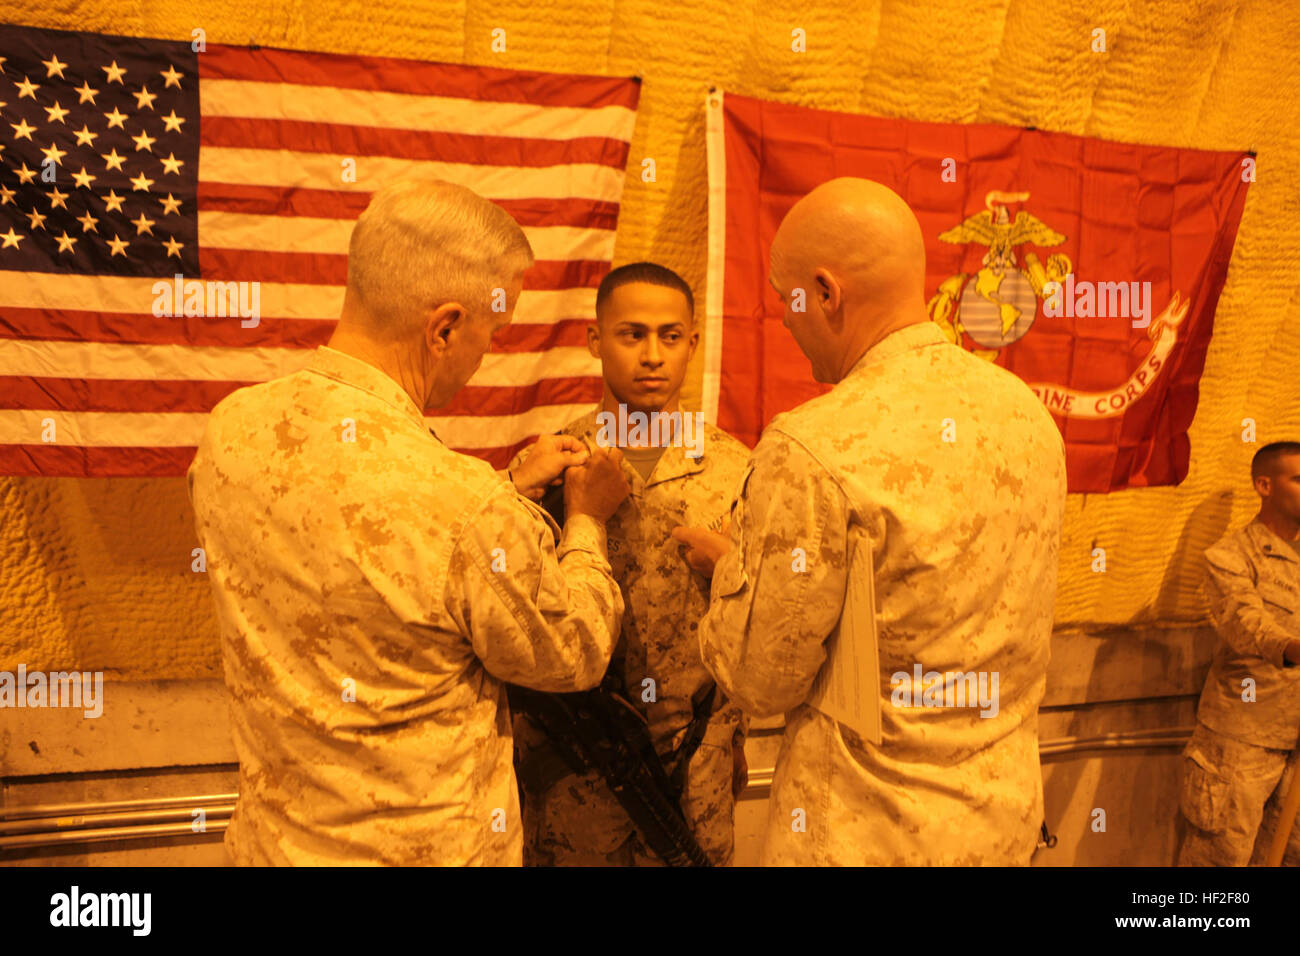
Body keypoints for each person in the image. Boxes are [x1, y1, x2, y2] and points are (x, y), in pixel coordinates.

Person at [187, 178, 630, 866]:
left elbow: (372, 561)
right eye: (493, 331)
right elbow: (569, 652)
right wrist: (585, 524)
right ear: (445, 326)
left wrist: (508, 495)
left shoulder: (230, 433)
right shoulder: (460, 502)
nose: (487, 353)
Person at [674, 177, 1066, 865]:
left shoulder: (816, 446)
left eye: (787, 299)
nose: (788, 322)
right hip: (1000, 823)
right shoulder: (1025, 414)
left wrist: (734, 574)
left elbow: (762, 678)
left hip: (865, 832)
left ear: (827, 293)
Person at [511, 262, 751, 865]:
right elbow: (511, 611)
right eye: (631, 334)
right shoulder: (551, 466)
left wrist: (732, 567)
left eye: (671, 336)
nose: (652, 355)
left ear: (693, 344)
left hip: (694, 772)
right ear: (595, 340)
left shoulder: (735, 469)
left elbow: (767, 620)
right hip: (574, 776)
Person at [1178, 440, 1300, 866]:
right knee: (1220, 862)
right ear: (1264, 485)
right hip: (1240, 743)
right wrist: (1290, 647)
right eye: (1299, 478)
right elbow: (1245, 623)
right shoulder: (1230, 556)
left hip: (1294, 744)